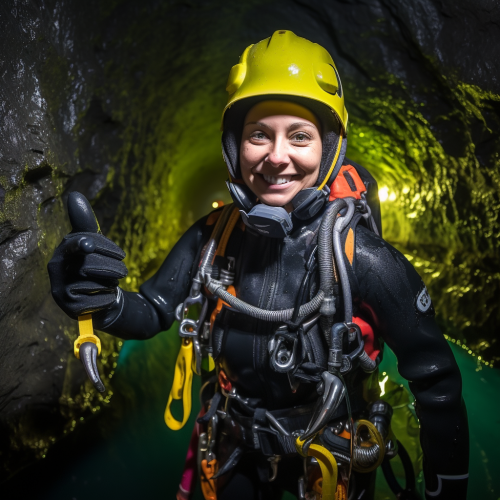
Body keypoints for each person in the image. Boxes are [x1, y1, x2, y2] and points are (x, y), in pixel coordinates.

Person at [48, 31, 469, 500]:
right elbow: (152, 311)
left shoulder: (363, 257)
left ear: (329, 148)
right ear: (235, 146)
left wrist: (447, 488)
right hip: (235, 442)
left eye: (300, 136)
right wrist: (100, 303)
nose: (276, 156)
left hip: (330, 452)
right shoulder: (213, 235)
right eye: (258, 135)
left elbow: (435, 379)